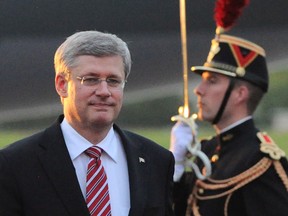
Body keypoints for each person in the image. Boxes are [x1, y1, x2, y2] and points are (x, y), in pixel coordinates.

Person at [0, 30, 175, 216]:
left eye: (113, 81)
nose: (104, 91)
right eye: (91, 79)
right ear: (62, 84)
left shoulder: (157, 161)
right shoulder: (15, 164)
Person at [170, 34, 288, 216]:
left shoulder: (260, 162)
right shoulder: (206, 152)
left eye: (212, 81)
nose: (199, 90)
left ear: (240, 94)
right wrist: (175, 165)